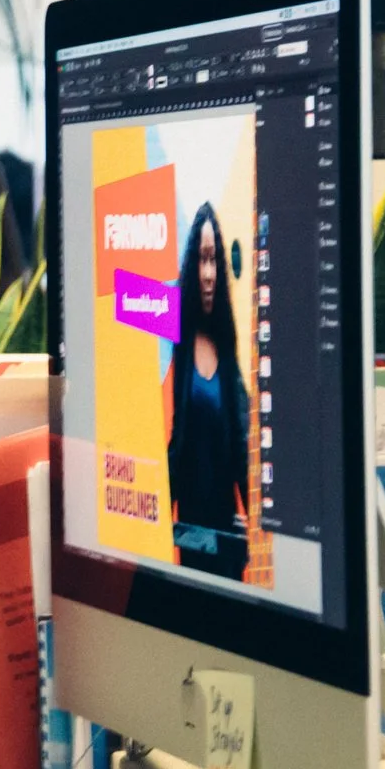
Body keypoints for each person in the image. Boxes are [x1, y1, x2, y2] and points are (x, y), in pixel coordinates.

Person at [166, 200, 253, 579]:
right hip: (188, 536)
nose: (208, 273)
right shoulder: (176, 342)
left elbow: (241, 442)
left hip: (227, 538)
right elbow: (120, 298)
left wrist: (255, 519)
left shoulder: (228, 345)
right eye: (201, 259)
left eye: (214, 259)